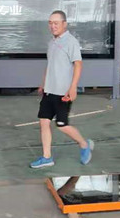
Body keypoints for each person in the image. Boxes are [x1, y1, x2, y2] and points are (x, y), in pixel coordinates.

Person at [30, 10, 94, 169]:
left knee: (62, 125)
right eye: (50, 23)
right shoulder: (52, 42)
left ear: (64, 24)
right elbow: (50, 65)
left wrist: (73, 87)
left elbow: (78, 64)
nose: (53, 26)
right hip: (49, 91)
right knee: (44, 122)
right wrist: (43, 83)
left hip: (63, 92)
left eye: (56, 23)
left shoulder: (71, 42)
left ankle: (84, 144)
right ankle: (47, 157)